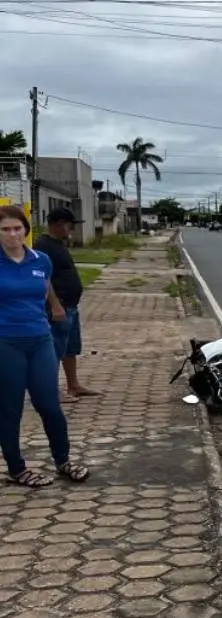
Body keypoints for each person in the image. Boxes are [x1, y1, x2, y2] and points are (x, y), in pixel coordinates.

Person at [0, 205, 89, 487]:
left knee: (49, 405)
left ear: (26, 229)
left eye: (17, 228)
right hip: (6, 343)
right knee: (10, 409)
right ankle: (17, 468)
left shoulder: (40, 260)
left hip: (40, 339)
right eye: (5, 229)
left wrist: (55, 306)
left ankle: (63, 461)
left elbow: (46, 286)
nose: (12, 234)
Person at [34, 207, 99, 402]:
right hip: (58, 307)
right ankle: (51, 391)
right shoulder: (43, 246)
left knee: (70, 349)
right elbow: (44, 279)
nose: (71, 230)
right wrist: (55, 305)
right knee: (54, 349)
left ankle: (73, 385)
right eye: (70, 225)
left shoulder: (58, 244)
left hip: (70, 305)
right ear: (59, 224)